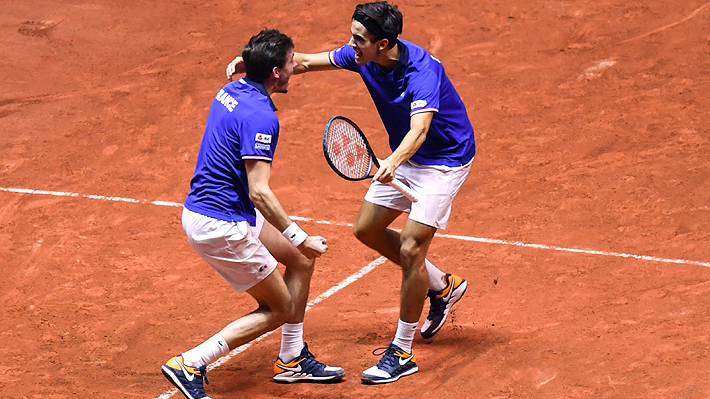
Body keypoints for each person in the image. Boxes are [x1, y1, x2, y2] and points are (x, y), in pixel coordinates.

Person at [227, 1, 473, 385]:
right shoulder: (362, 56)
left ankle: (402, 352)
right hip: (404, 158)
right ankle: (442, 286)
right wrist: (255, 68)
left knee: (410, 248)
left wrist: (393, 159)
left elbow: (420, 130)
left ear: (383, 43)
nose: (351, 43)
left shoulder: (423, 71)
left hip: (443, 160)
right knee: (367, 230)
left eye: (359, 38)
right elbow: (306, 62)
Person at [161, 29, 344, 399]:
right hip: (221, 225)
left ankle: (291, 359)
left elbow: (262, 66)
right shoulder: (263, 118)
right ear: (276, 72)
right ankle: (192, 361)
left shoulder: (229, 90)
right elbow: (259, 191)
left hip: (216, 208)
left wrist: (249, 63)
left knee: (301, 262)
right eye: (292, 62)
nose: (297, 66)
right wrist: (299, 234)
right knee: (280, 308)